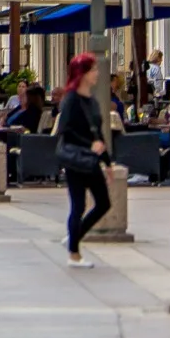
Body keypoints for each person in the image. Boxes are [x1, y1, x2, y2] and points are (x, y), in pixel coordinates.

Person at [57, 53, 112, 269]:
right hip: (76, 159)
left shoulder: (92, 100)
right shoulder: (70, 100)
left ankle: (74, 237)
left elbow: (98, 132)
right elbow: (65, 130)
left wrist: (107, 162)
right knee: (78, 205)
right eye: (93, 70)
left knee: (103, 203)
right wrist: (90, 145)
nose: (97, 73)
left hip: (91, 160)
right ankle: (74, 254)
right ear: (82, 74)